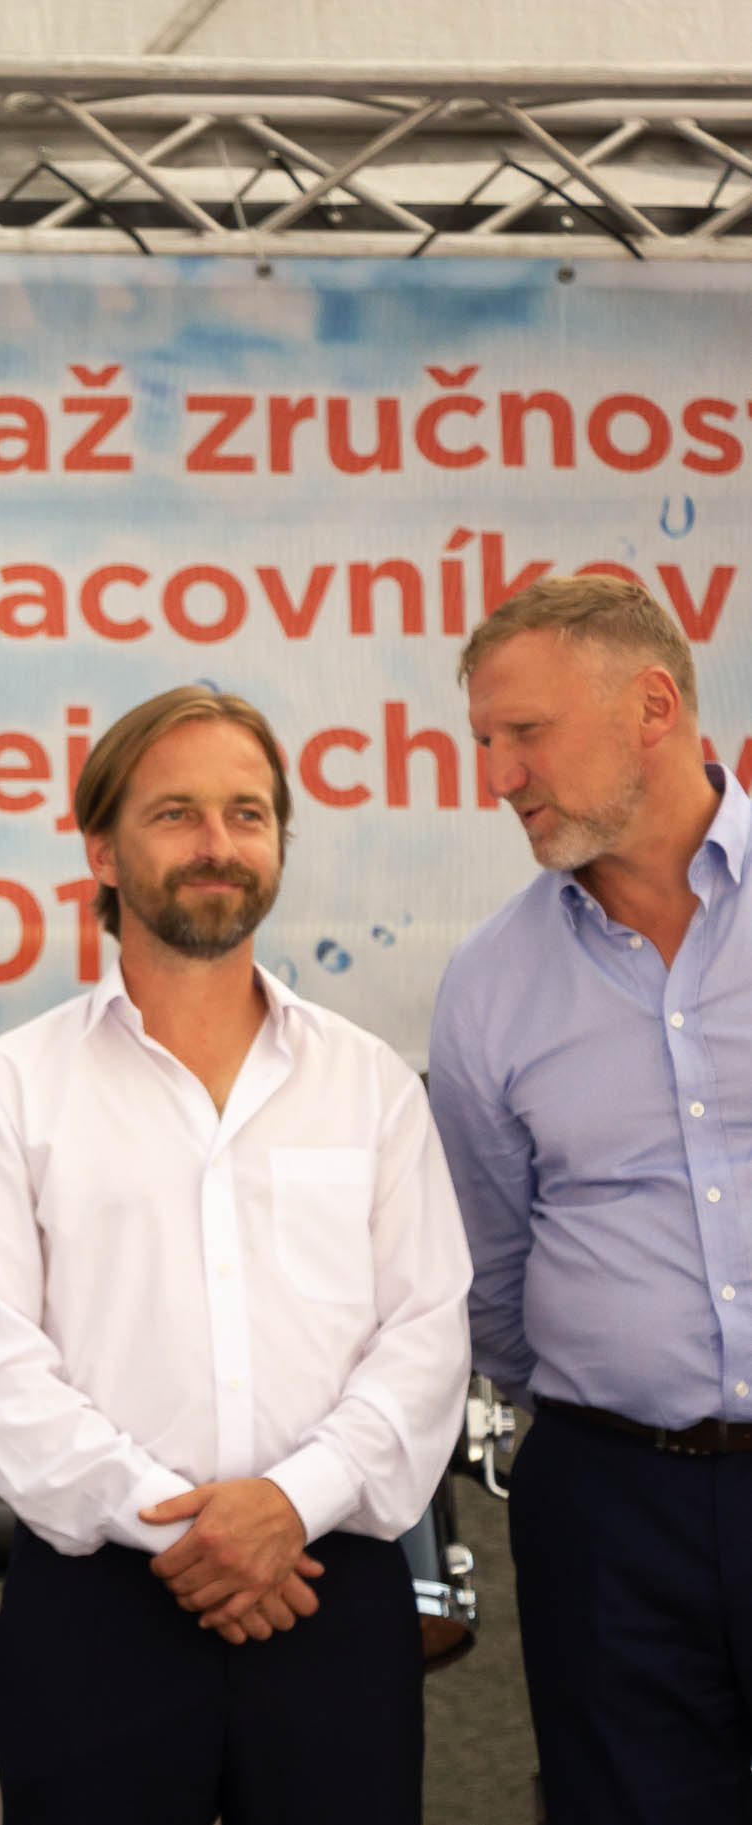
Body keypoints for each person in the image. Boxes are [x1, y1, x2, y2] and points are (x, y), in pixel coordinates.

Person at [0, 685, 471, 1825]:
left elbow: (426, 1342)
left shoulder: (368, 1083)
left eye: (246, 813)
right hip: (99, 1606)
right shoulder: (6, 1090)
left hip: (327, 1592)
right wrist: (192, 1526)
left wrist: (287, 1505)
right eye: (175, 813)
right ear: (101, 849)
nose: (217, 843)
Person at [428, 574, 752, 1822]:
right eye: (483, 741)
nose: (497, 775)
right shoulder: (487, 981)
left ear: (652, 707)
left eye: (525, 732)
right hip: (608, 1502)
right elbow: (489, 1264)